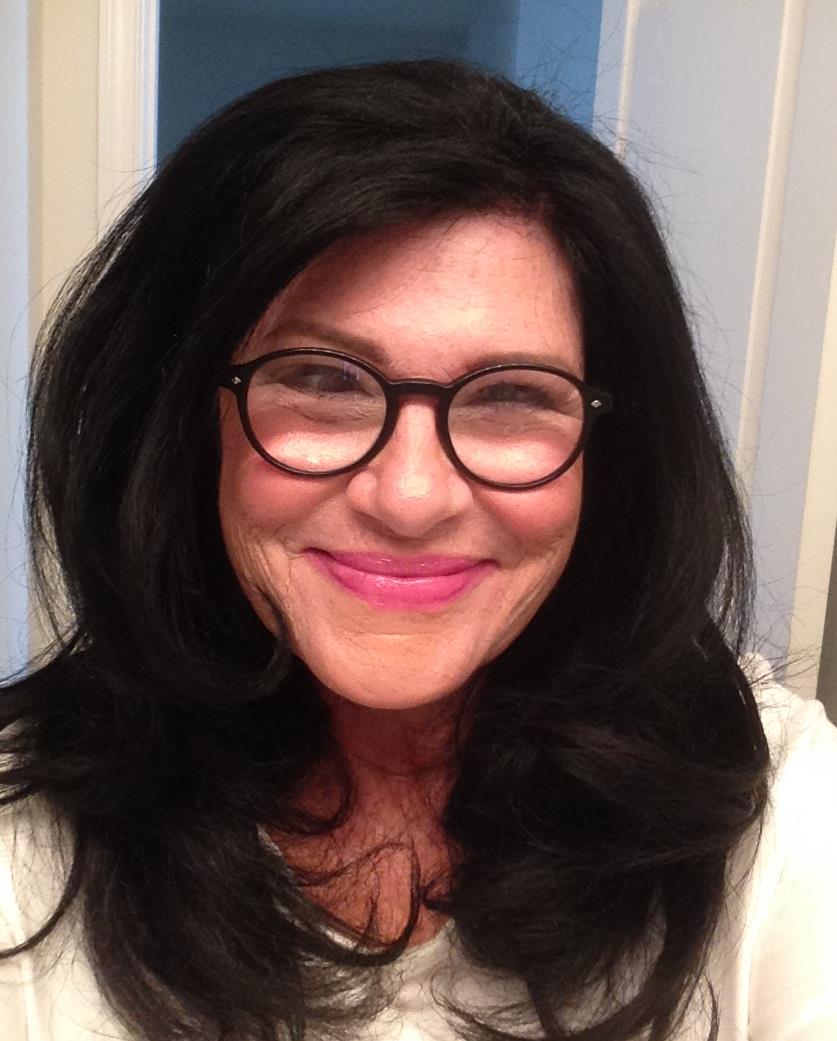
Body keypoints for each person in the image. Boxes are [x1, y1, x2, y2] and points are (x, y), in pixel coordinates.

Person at [0, 59, 835, 1041]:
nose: (410, 498)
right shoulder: (21, 840)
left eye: (512, 395)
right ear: (186, 424)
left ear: (610, 454)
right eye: (322, 380)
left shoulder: (777, 813)